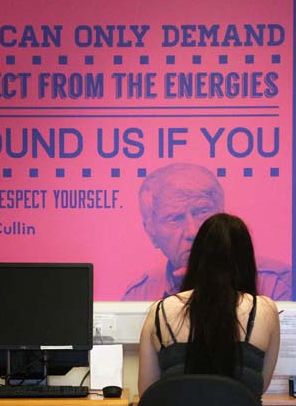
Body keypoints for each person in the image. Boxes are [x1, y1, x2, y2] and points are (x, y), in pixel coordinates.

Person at [138, 213, 280, 404]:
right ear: (246, 260)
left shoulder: (160, 311)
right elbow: (257, 387)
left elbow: (148, 392)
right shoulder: (264, 310)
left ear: (197, 256)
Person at [123, 163, 292, 301]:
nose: (193, 231)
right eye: (175, 218)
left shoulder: (277, 284)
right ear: (152, 232)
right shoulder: (139, 295)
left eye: (201, 212)